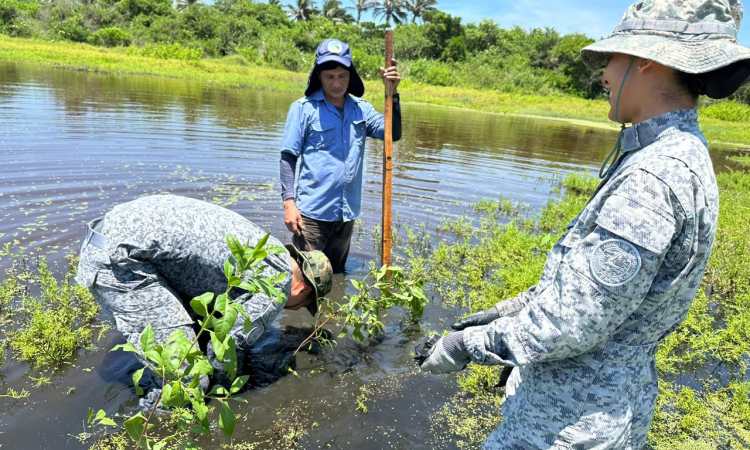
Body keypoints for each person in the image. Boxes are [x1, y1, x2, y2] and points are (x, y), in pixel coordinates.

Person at [416, 0, 750, 448]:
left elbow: (569, 322)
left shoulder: (653, 177)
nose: (604, 74)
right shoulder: (673, 152)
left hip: (566, 426)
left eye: (613, 58)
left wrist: (462, 347)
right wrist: (506, 310)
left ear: (648, 60)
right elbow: (583, 286)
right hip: (595, 409)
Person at [75, 194, 333, 405]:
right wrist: (223, 388)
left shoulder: (271, 251)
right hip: (121, 260)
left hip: (115, 232)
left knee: (197, 329)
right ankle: (158, 428)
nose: (293, 307)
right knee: (188, 383)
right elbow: (225, 346)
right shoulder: (277, 286)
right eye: (301, 305)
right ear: (301, 290)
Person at [279, 38, 402, 273]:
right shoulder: (303, 109)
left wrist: (392, 95)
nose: (337, 83)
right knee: (305, 283)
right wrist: (289, 204)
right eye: (329, 76)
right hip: (312, 216)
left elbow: (392, 134)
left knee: (335, 275)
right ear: (318, 76)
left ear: (351, 76)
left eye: (342, 76)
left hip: (346, 214)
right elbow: (288, 157)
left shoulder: (361, 109)